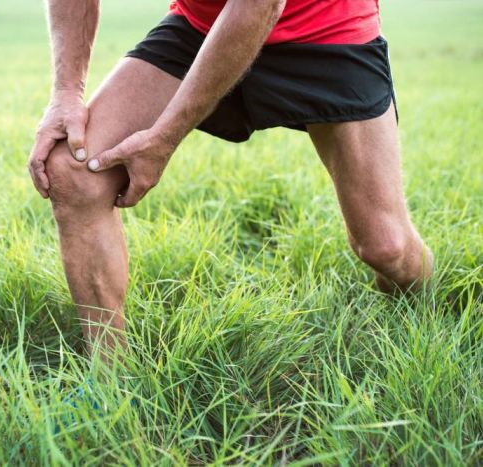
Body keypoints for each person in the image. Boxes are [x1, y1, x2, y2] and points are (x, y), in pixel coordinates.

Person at [27, 0, 434, 362]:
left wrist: (163, 139)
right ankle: (110, 375)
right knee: (75, 171)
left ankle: (419, 328)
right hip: (204, 26)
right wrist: (65, 93)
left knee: (387, 247)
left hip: (328, 32)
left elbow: (259, 7)